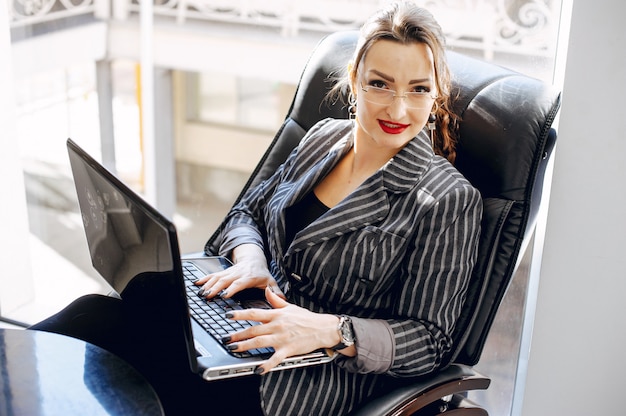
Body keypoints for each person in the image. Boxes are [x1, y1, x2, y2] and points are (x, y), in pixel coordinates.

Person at [32, 2, 482, 415]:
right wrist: (251, 256)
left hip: (307, 373)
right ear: (354, 79)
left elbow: (431, 339)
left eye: (419, 89)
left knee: (131, 385)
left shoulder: (447, 199)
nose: (398, 107)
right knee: (91, 314)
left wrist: (333, 330)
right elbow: (246, 211)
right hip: (236, 319)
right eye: (379, 84)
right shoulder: (323, 136)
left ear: (436, 94)